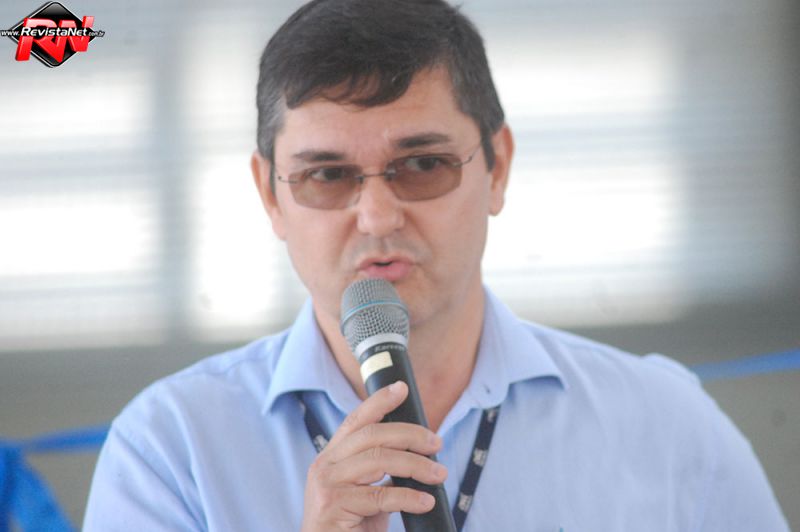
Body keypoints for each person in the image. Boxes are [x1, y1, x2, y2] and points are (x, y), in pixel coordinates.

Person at [84, 0, 789, 530]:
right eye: (326, 175)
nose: (377, 217)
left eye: (422, 165)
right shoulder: (171, 450)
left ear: (498, 167)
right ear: (271, 195)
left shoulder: (665, 425)